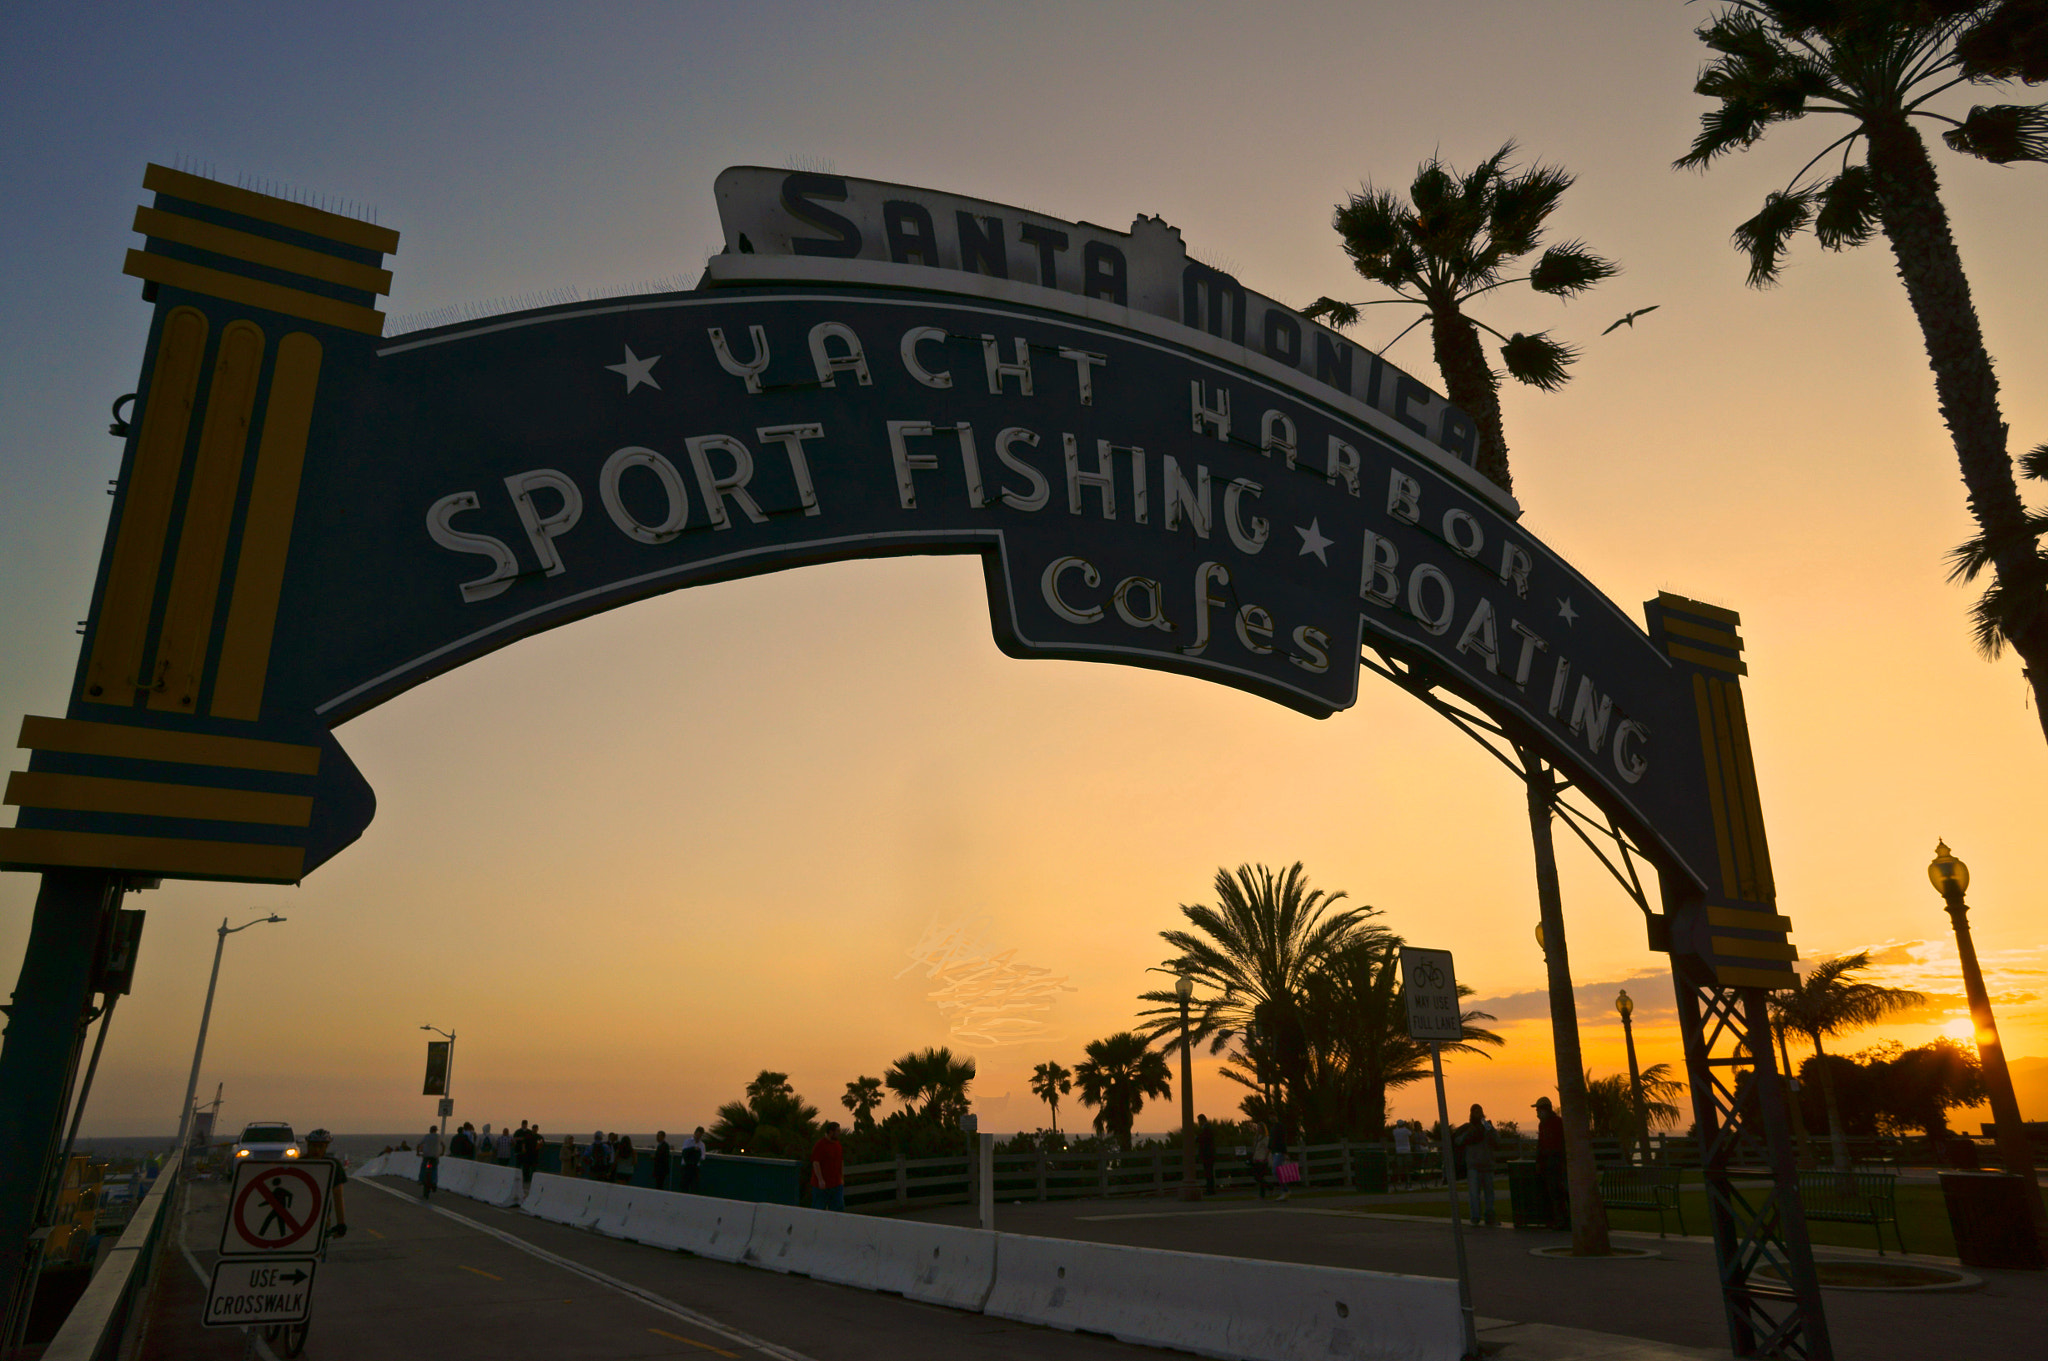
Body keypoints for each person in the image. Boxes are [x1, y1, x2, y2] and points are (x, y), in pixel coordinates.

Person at [300, 1129, 350, 1239]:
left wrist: (341, 1224)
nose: (316, 1150)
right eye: (313, 1146)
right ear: (308, 1145)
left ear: (326, 1147)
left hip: (322, 1218)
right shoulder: (298, 1164)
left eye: (321, 1146)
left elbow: (338, 1195)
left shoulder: (332, 1166)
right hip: (298, 1215)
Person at [1456, 1104, 1499, 1226]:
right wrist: (1470, 1134)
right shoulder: (1468, 1128)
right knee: (1474, 1194)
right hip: (1473, 1165)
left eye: (1480, 1111)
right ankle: (1475, 1217)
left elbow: (1496, 1139)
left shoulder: (1487, 1126)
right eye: (1475, 1112)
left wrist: (1488, 1129)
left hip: (1487, 1164)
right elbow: (1458, 1140)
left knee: (1489, 1193)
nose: (1478, 1114)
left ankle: (1489, 1216)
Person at [1534, 1096, 1568, 1229]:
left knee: (1558, 1192)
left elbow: (1559, 1143)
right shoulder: (1542, 1125)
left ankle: (1563, 1220)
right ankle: (1556, 1219)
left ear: (1545, 1109)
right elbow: (1540, 1145)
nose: (1537, 1112)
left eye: (1538, 1109)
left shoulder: (1557, 1123)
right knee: (1551, 1192)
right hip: (1547, 1162)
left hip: (1556, 1161)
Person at [808, 1121, 846, 1211]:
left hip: (836, 1184)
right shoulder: (820, 1145)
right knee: (819, 1209)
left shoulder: (837, 1145)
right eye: (837, 1131)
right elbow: (816, 1163)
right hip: (822, 1186)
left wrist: (841, 1178)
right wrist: (820, 1180)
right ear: (831, 1132)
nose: (839, 1133)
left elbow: (841, 1161)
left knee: (838, 1208)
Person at [1248, 1122, 1272, 1199]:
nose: (1258, 1129)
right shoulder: (1257, 1138)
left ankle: (1268, 1187)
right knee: (1258, 1176)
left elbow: (1268, 1148)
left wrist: (1266, 1157)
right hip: (1256, 1158)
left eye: (1259, 1128)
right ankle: (1263, 1193)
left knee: (1258, 1176)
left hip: (1262, 1159)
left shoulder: (1266, 1138)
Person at [418, 1127, 442, 1198]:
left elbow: (419, 1145)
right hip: (435, 1156)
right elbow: (443, 1145)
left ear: (430, 1130)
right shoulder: (438, 1136)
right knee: (434, 1169)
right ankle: (434, 1182)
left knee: (423, 1166)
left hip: (426, 1155)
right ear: (436, 1131)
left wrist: (418, 1152)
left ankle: (421, 1180)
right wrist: (442, 1153)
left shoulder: (427, 1136)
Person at [1270, 1119, 1292, 1201]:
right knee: (1277, 1171)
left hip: (1279, 1152)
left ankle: (1285, 1190)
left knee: (1276, 1171)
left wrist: (1284, 1152)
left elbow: (1282, 1140)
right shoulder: (1273, 1128)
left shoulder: (1279, 1127)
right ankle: (1285, 1190)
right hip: (1276, 1152)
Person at [679, 1127, 706, 1192]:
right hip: (686, 1166)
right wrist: (693, 1149)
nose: (698, 1137)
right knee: (684, 1186)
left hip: (695, 1167)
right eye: (698, 1134)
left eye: (700, 1135)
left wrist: (696, 1157)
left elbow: (703, 1156)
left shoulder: (702, 1145)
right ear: (695, 1133)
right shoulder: (687, 1141)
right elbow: (684, 1152)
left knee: (694, 1186)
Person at [1196, 1116, 1217, 1194]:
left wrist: (1197, 1138)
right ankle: (1210, 1189)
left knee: (1208, 1173)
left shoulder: (1206, 1129)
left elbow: (1205, 1139)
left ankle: (1210, 1190)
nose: (1198, 1122)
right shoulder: (1207, 1128)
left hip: (1207, 1154)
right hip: (1209, 1154)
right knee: (1209, 1172)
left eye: (1199, 1120)